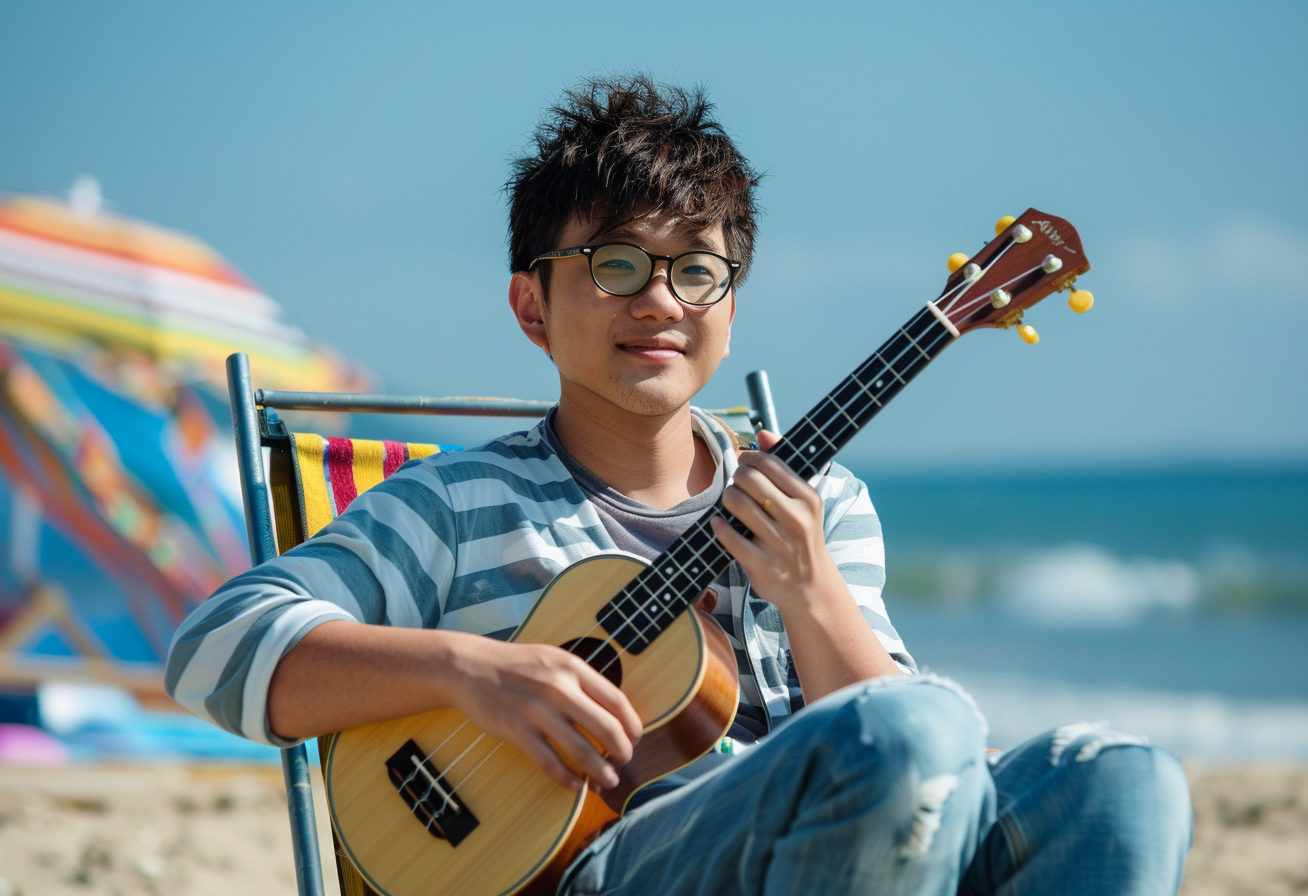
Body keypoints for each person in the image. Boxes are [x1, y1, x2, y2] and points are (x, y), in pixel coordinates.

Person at [166, 74, 1193, 895]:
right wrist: (470, 670)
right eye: (616, 264)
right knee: (920, 725)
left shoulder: (823, 506)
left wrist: (811, 587)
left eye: (695, 270)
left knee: (1123, 778)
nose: (659, 299)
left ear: (730, 308)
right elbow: (210, 648)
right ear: (533, 305)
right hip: (601, 863)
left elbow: (914, 775)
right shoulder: (453, 505)